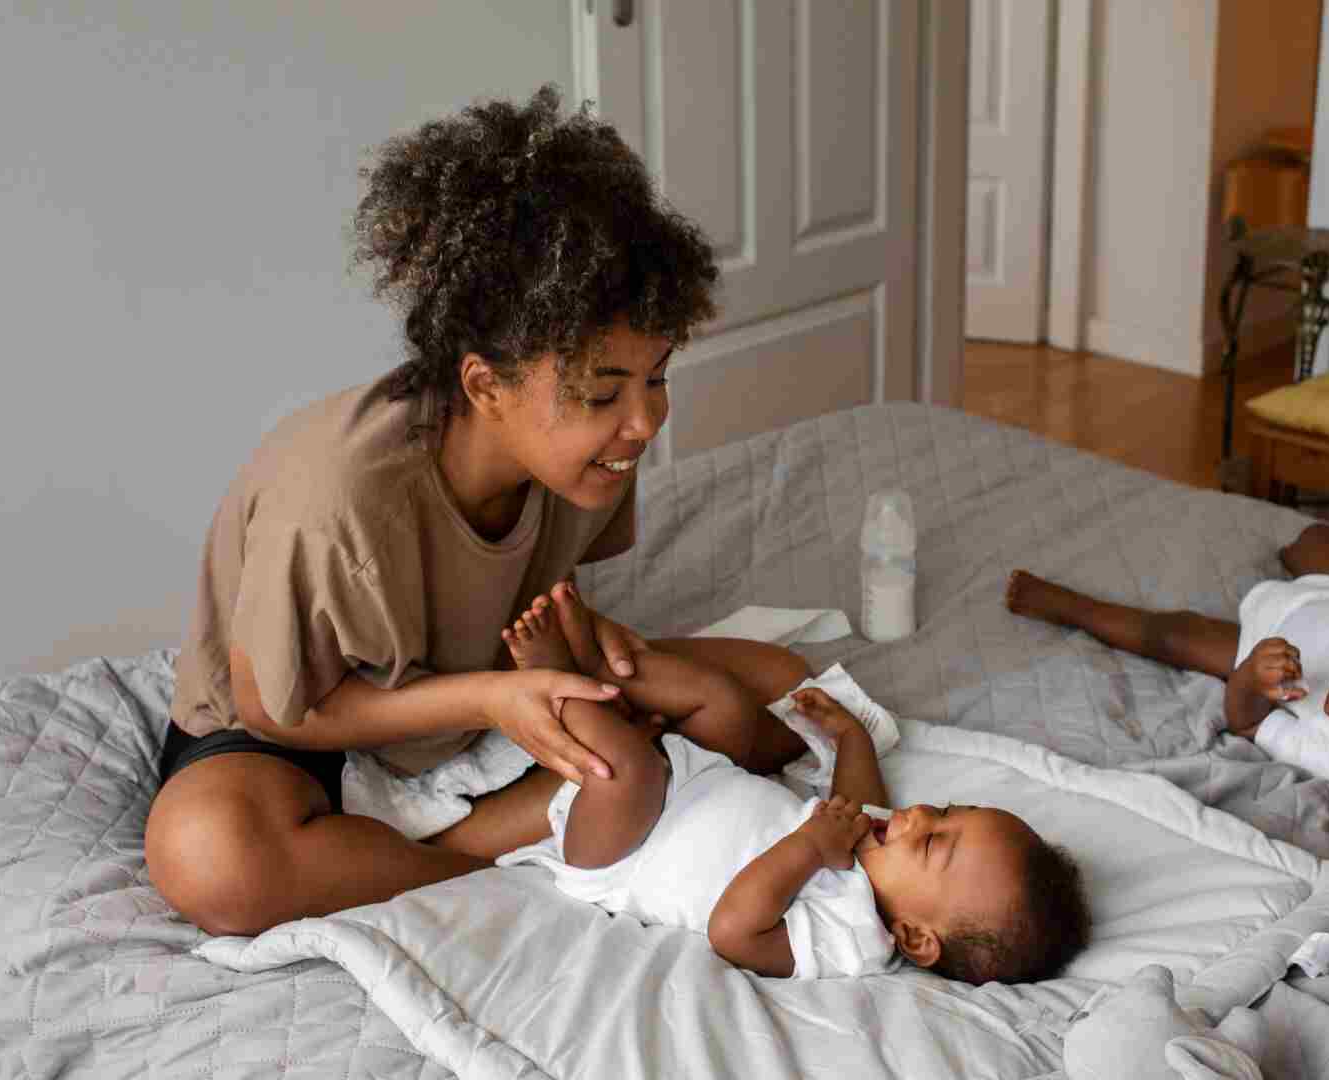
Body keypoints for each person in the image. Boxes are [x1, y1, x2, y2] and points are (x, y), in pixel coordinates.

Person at [146, 87, 756, 936]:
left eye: (656, 377)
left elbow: (518, 584)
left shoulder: (588, 456)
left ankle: (427, 845)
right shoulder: (336, 500)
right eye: (602, 392)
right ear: (484, 385)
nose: (645, 421)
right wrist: (488, 703)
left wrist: (577, 631)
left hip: (479, 702)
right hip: (305, 738)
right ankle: (472, 859)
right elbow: (271, 709)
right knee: (211, 856)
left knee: (760, 691)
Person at [499, 584, 1091, 984]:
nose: (918, 818)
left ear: (915, 937)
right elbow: (857, 800)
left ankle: (558, 686)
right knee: (724, 702)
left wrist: (809, 847)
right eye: (944, 809)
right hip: (691, 778)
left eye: (935, 842)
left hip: (620, 850)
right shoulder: (874, 842)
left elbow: (734, 932)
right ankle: (606, 671)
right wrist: (850, 739)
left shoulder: (852, 937)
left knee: (630, 770)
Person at [1006, 523, 1329, 868]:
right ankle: (1296, 554)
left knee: (1170, 636)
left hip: (1259, 641)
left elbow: (1247, 722)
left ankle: (1067, 606)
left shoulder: (1325, 757)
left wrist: (1250, 679)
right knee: (1320, 537)